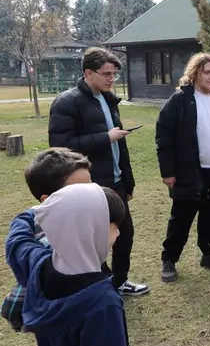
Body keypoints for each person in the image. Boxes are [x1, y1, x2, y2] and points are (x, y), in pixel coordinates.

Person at [5, 182, 133, 346]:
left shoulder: (39, 265)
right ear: (90, 229)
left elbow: (18, 243)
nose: (117, 235)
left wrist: (53, 211)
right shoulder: (102, 304)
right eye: (113, 227)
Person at [47, 47, 148, 297]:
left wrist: (127, 181)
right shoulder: (67, 102)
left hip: (115, 182)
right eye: (106, 74)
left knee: (124, 233)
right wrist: (105, 137)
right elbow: (61, 148)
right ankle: (101, 284)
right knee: (96, 239)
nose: (111, 79)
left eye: (114, 74)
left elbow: (118, 146)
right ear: (88, 73)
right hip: (89, 186)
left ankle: (120, 281)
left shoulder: (107, 98)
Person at [156, 52, 210, 282]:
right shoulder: (181, 99)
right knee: (182, 217)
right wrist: (168, 171)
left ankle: (209, 253)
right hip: (189, 171)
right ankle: (169, 259)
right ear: (195, 73)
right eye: (206, 72)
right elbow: (164, 136)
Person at [2, 148, 92, 332]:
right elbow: (16, 248)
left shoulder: (88, 215)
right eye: (80, 190)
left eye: (91, 185)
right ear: (48, 200)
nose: (92, 194)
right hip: (55, 315)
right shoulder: (30, 223)